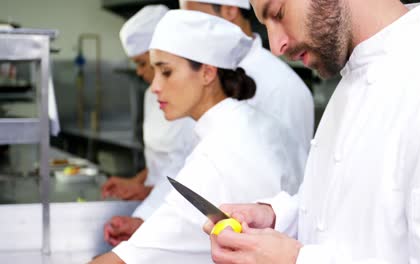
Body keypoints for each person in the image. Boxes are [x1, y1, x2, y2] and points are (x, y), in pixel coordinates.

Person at [205, 0, 420, 263]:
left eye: (278, 13)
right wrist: (276, 218)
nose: (276, 46)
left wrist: (296, 260)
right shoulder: (355, 74)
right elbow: (358, 215)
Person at [90, 10, 307, 264]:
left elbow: (124, 261)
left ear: (207, 72)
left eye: (166, 72)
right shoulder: (252, 124)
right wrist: (144, 224)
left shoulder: (218, 153)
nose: (155, 86)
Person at [100, 5, 197, 246]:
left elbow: (186, 167)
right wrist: (137, 181)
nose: (141, 72)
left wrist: (148, 194)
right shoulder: (151, 95)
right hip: (155, 204)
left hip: (179, 210)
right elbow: (160, 158)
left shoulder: (187, 100)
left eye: (145, 64)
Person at [180, 0, 315, 150]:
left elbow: (292, 169)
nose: (187, 34)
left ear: (230, 10)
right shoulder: (202, 74)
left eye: (194, 20)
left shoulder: (282, 87)